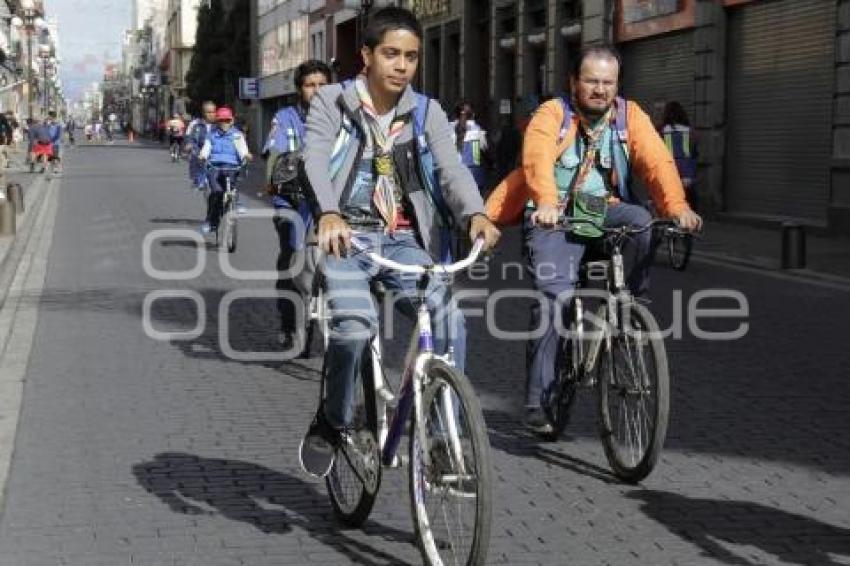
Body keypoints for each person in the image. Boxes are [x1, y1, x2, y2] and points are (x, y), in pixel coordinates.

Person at [298, 6, 501, 470]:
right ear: (366, 55)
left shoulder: (425, 110)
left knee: (450, 320)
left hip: (402, 238)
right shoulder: (333, 101)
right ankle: (333, 419)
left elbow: (452, 169)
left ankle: (439, 440)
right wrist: (328, 213)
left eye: (411, 56)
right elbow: (313, 158)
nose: (402, 65)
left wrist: (476, 215)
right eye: (391, 54)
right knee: (352, 327)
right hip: (346, 236)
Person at [484, 45, 703, 435]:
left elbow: (656, 161)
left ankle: (629, 308)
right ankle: (539, 400)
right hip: (557, 216)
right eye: (591, 81)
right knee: (555, 301)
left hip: (605, 211)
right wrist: (547, 203)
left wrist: (676, 206)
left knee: (640, 219)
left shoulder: (628, 115)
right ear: (574, 82)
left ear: (617, 84)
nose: (600, 89)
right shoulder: (553, 113)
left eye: (607, 82)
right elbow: (535, 158)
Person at [263, 59, 331, 350]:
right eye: (309, 85)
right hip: (291, 199)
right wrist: (271, 181)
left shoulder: (342, 117)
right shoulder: (286, 117)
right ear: (299, 89)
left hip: (327, 199)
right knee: (292, 255)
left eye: (322, 85)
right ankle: (290, 323)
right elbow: (274, 154)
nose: (316, 91)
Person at [198, 107, 252, 233]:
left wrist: (246, 155)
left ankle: (236, 202)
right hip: (215, 166)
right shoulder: (211, 135)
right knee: (216, 192)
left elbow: (242, 149)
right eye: (221, 120)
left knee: (232, 187)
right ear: (217, 121)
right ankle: (211, 221)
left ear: (231, 121)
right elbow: (206, 148)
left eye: (227, 120)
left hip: (232, 166)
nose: (224, 123)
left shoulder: (237, 135)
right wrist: (203, 155)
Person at [659, 100, 699, 212]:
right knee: (689, 201)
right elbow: (694, 151)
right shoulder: (690, 131)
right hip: (687, 172)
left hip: (668, 170)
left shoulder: (662, 131)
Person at [450, 100, 489, 196]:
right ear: (473, 115)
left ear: (455, 114)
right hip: (475, 175)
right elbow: (485, 149)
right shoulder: (477, 131)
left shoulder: (447, 129)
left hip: (454, 175)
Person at [186, 101, 217, 190]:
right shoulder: (195, 124)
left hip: (216, 153)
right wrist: (189, 144)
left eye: (213, 112)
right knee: (197, 157)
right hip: (200, 152)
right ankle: (199, 180)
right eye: (209, 112)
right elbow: (189, 136)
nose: (211, 114)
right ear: (203, 113)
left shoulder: (220, 124)